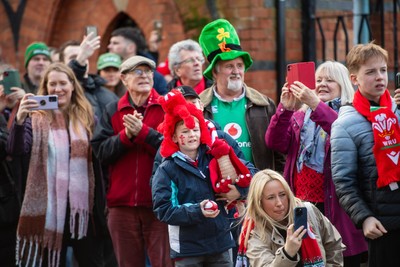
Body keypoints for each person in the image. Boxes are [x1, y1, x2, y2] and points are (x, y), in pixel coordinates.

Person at [264, 61, 367, 266]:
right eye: (318, 79)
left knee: (337, 256)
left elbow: (339, 130)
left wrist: (315, 105)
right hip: (302, 204)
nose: (322, 84)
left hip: (335, 205)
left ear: (343, 84)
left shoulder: (350, 114)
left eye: (330, 80)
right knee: (308, 258)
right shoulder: (300, 115)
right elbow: (275, 142)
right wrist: (285, 109)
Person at [7, 63, 105, 267]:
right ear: (45, 87)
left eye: (63, 83)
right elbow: (17, 150)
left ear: (72, 86)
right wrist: (19, 118)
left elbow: (99, 158)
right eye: (52, 84)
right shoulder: (35, 117)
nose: (58, 89)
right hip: (49, 206)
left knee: (92, 261)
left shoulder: (88, 117)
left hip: (82, 209)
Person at [152, 89, 258, 266]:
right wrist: (198, 211)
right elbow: (163, 208)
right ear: (174, 137)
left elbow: (251, 174)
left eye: (195, 129)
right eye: (185, 131)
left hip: (221, 242)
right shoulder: (167, 167)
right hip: (188, 249)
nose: (192, 135)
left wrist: (239, 192)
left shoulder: (219, 149)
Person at [91, 56, 172, 267]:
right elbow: (100, 151)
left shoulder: (167, 108)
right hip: (121, 206)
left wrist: (143, 133)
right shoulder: (113, 109)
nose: (144, 75)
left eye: (148, 71)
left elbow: (173, 151)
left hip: (160, 205)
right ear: (124, 79)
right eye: (137, 71)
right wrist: (126, 136)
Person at [331, 42, 400, 267]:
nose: (379, 77)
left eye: (382, 70)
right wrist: (365, 217)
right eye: (370, 72)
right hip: (382, 225)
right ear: (354, 79)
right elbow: (344, 181)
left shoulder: (396, 112)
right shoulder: (345, 123)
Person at [198, 19, 284, 171]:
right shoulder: (199, 106)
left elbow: (280, 154)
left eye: (239, 65)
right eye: (229, 66)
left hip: (259, 190)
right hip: (214, 191)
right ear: (214, 72)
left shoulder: (264, 105)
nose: (236, 71)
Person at [240, 169, 344, 266]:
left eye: (282, 194)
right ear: (259, 202)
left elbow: (334, 246)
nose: (279, 203)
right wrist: (287, 253)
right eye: (271, 197)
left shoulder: (308, 212)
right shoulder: (254, 233)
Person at [59, 36, 119, 120]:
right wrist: (78, 63)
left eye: (84, 55)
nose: (82, 59)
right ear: (61, 64)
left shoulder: (109, 96)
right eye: (73, 58)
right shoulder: (59, 92)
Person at [108, 27, 167, 95]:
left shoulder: (154, 76)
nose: (109, 46)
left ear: (131, 48)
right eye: (110, 43)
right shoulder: (105, 71)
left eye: (115, 43)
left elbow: (164, 100)